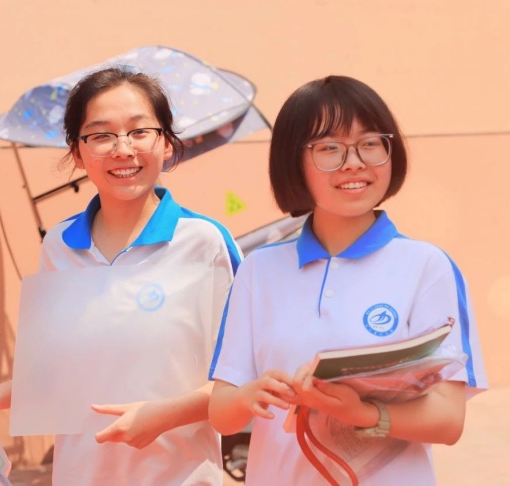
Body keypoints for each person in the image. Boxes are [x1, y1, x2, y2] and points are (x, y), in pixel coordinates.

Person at [0, 67, 241, 485]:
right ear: (77, 151)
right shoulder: (59, 246)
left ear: (166, 142)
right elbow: (58, 370)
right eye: (101, 135)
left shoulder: (205, 242)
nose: (123, 149)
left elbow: (243, 378)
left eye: (140, 132)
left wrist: (163, 416)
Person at [207, 75, 487, 485]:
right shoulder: (258, 270)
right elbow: (221, 413)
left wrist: (362, 414)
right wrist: (250, 396)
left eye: (370, 143)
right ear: (293, 162)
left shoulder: (427, 267)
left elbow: (448, 420)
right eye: (330, 148)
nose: (354, 162)